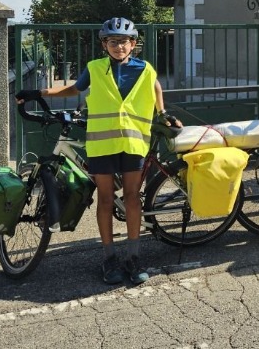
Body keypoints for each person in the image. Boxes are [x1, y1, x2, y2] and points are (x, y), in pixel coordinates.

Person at [15, 17, 178, 285]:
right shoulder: (94, 68)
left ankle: (134, 257)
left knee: (132, 199)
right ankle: (109, 258)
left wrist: (163, 113)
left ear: (133, 44)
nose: (119, 46)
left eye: (123, 41)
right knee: (104, 199)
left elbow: (156, 86)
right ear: (105, 44)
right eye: (113, 42)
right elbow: (74, 88)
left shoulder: (145, 69)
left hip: (134, 144)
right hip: (102, 145)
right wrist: (38, 92)